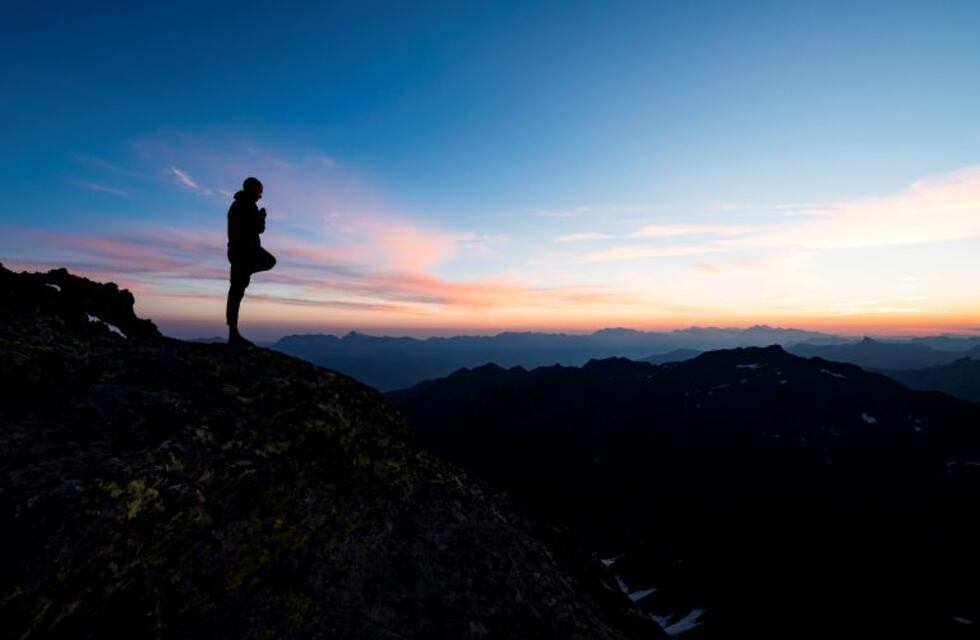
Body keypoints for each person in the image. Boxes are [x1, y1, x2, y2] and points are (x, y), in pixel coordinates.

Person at [225, 177, 276, 346]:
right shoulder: (245, 205)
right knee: (237, 289)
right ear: (253, 189)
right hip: (244, 251)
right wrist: (262, 217)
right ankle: (233, 333)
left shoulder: (239, 204)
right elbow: (258, 228)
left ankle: (233, 332)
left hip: (239, 251)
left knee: (237, 290)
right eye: (260, 191)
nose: (261, 195)